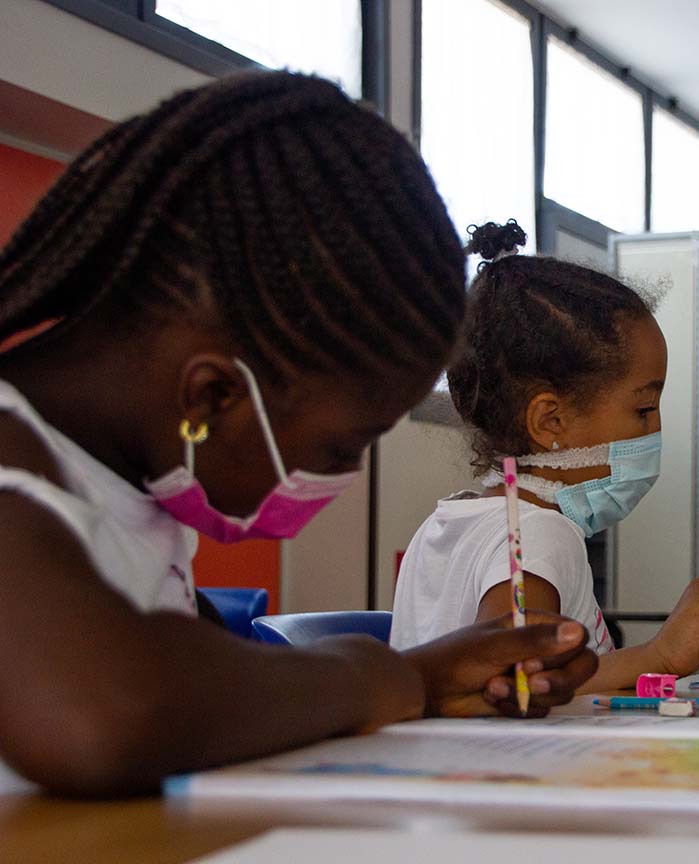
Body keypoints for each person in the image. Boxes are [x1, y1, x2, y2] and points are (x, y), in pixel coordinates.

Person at [0, 73, 596, 797]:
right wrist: (397, 676)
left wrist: (432, 681)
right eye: (340, 448)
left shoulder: (127, 494)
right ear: (215, 394)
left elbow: (206, 688)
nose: (340, 478)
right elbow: (101, 712)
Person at [390, 221, 699, 689]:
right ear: (550, 422)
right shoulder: (540, 532)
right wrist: (660, 655)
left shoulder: (443, 525)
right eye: (643, 409)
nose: (656, 428)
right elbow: (517, 684)